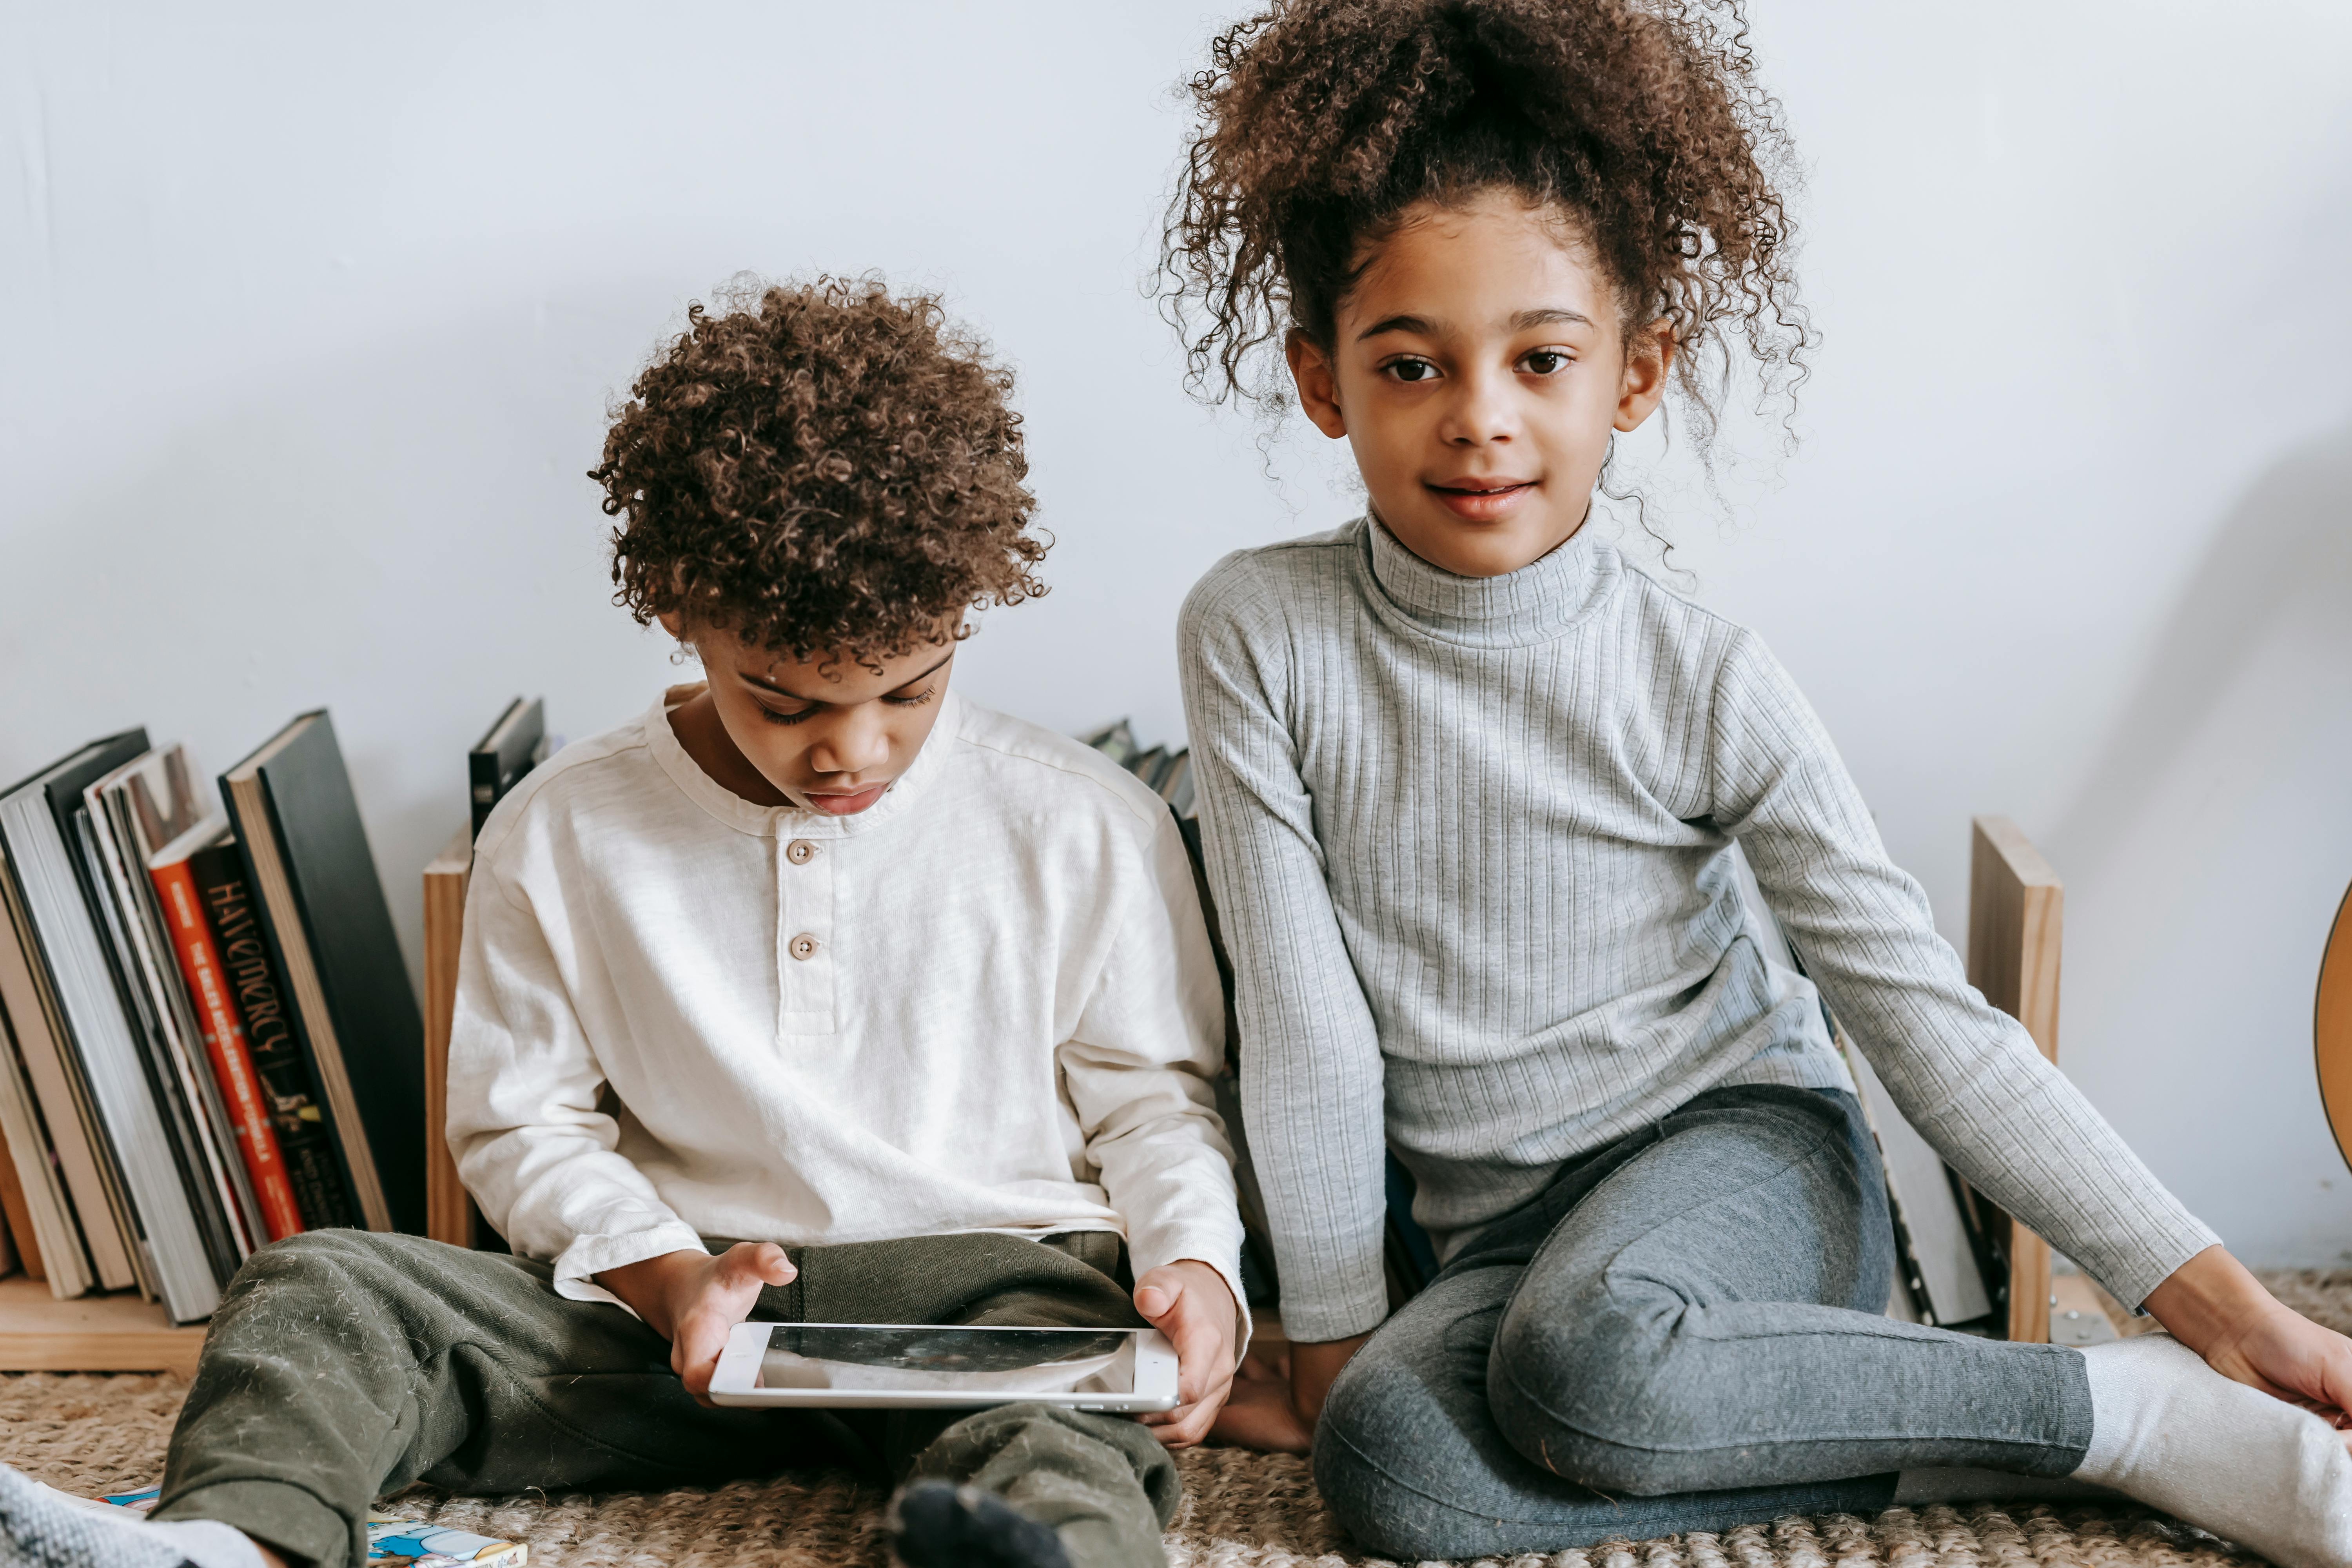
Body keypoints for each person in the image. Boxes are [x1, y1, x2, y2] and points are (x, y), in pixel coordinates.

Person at [1161, 4, 2352, 1564]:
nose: (1480, 417)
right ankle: (2027, 1431)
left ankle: (2133, 1404)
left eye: (1541, 358)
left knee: (1585, 1363)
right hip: (1504, 1236)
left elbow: (1923, 1017)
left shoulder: (1702, 673)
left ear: (1635, 375)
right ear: (1325, 383)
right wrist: (1327, 1327)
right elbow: (1304, 1018)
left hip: (1748, 1160)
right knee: (1389, 1460)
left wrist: (2222, 1305)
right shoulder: (1259, 631)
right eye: (1410, 362)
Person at [0, 276, 1243, 1568]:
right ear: (678, 607)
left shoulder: (1087, 824)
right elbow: (521, 1116)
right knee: (322, 1291)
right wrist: (663, 1277)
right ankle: (238, 1545)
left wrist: (1199, 1275)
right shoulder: (559, 830)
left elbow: (1156, 1107)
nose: (851, 751)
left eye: (909, 690)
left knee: (1063, 1443)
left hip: (988, 1301)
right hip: (681, 1317)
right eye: (785, 701)